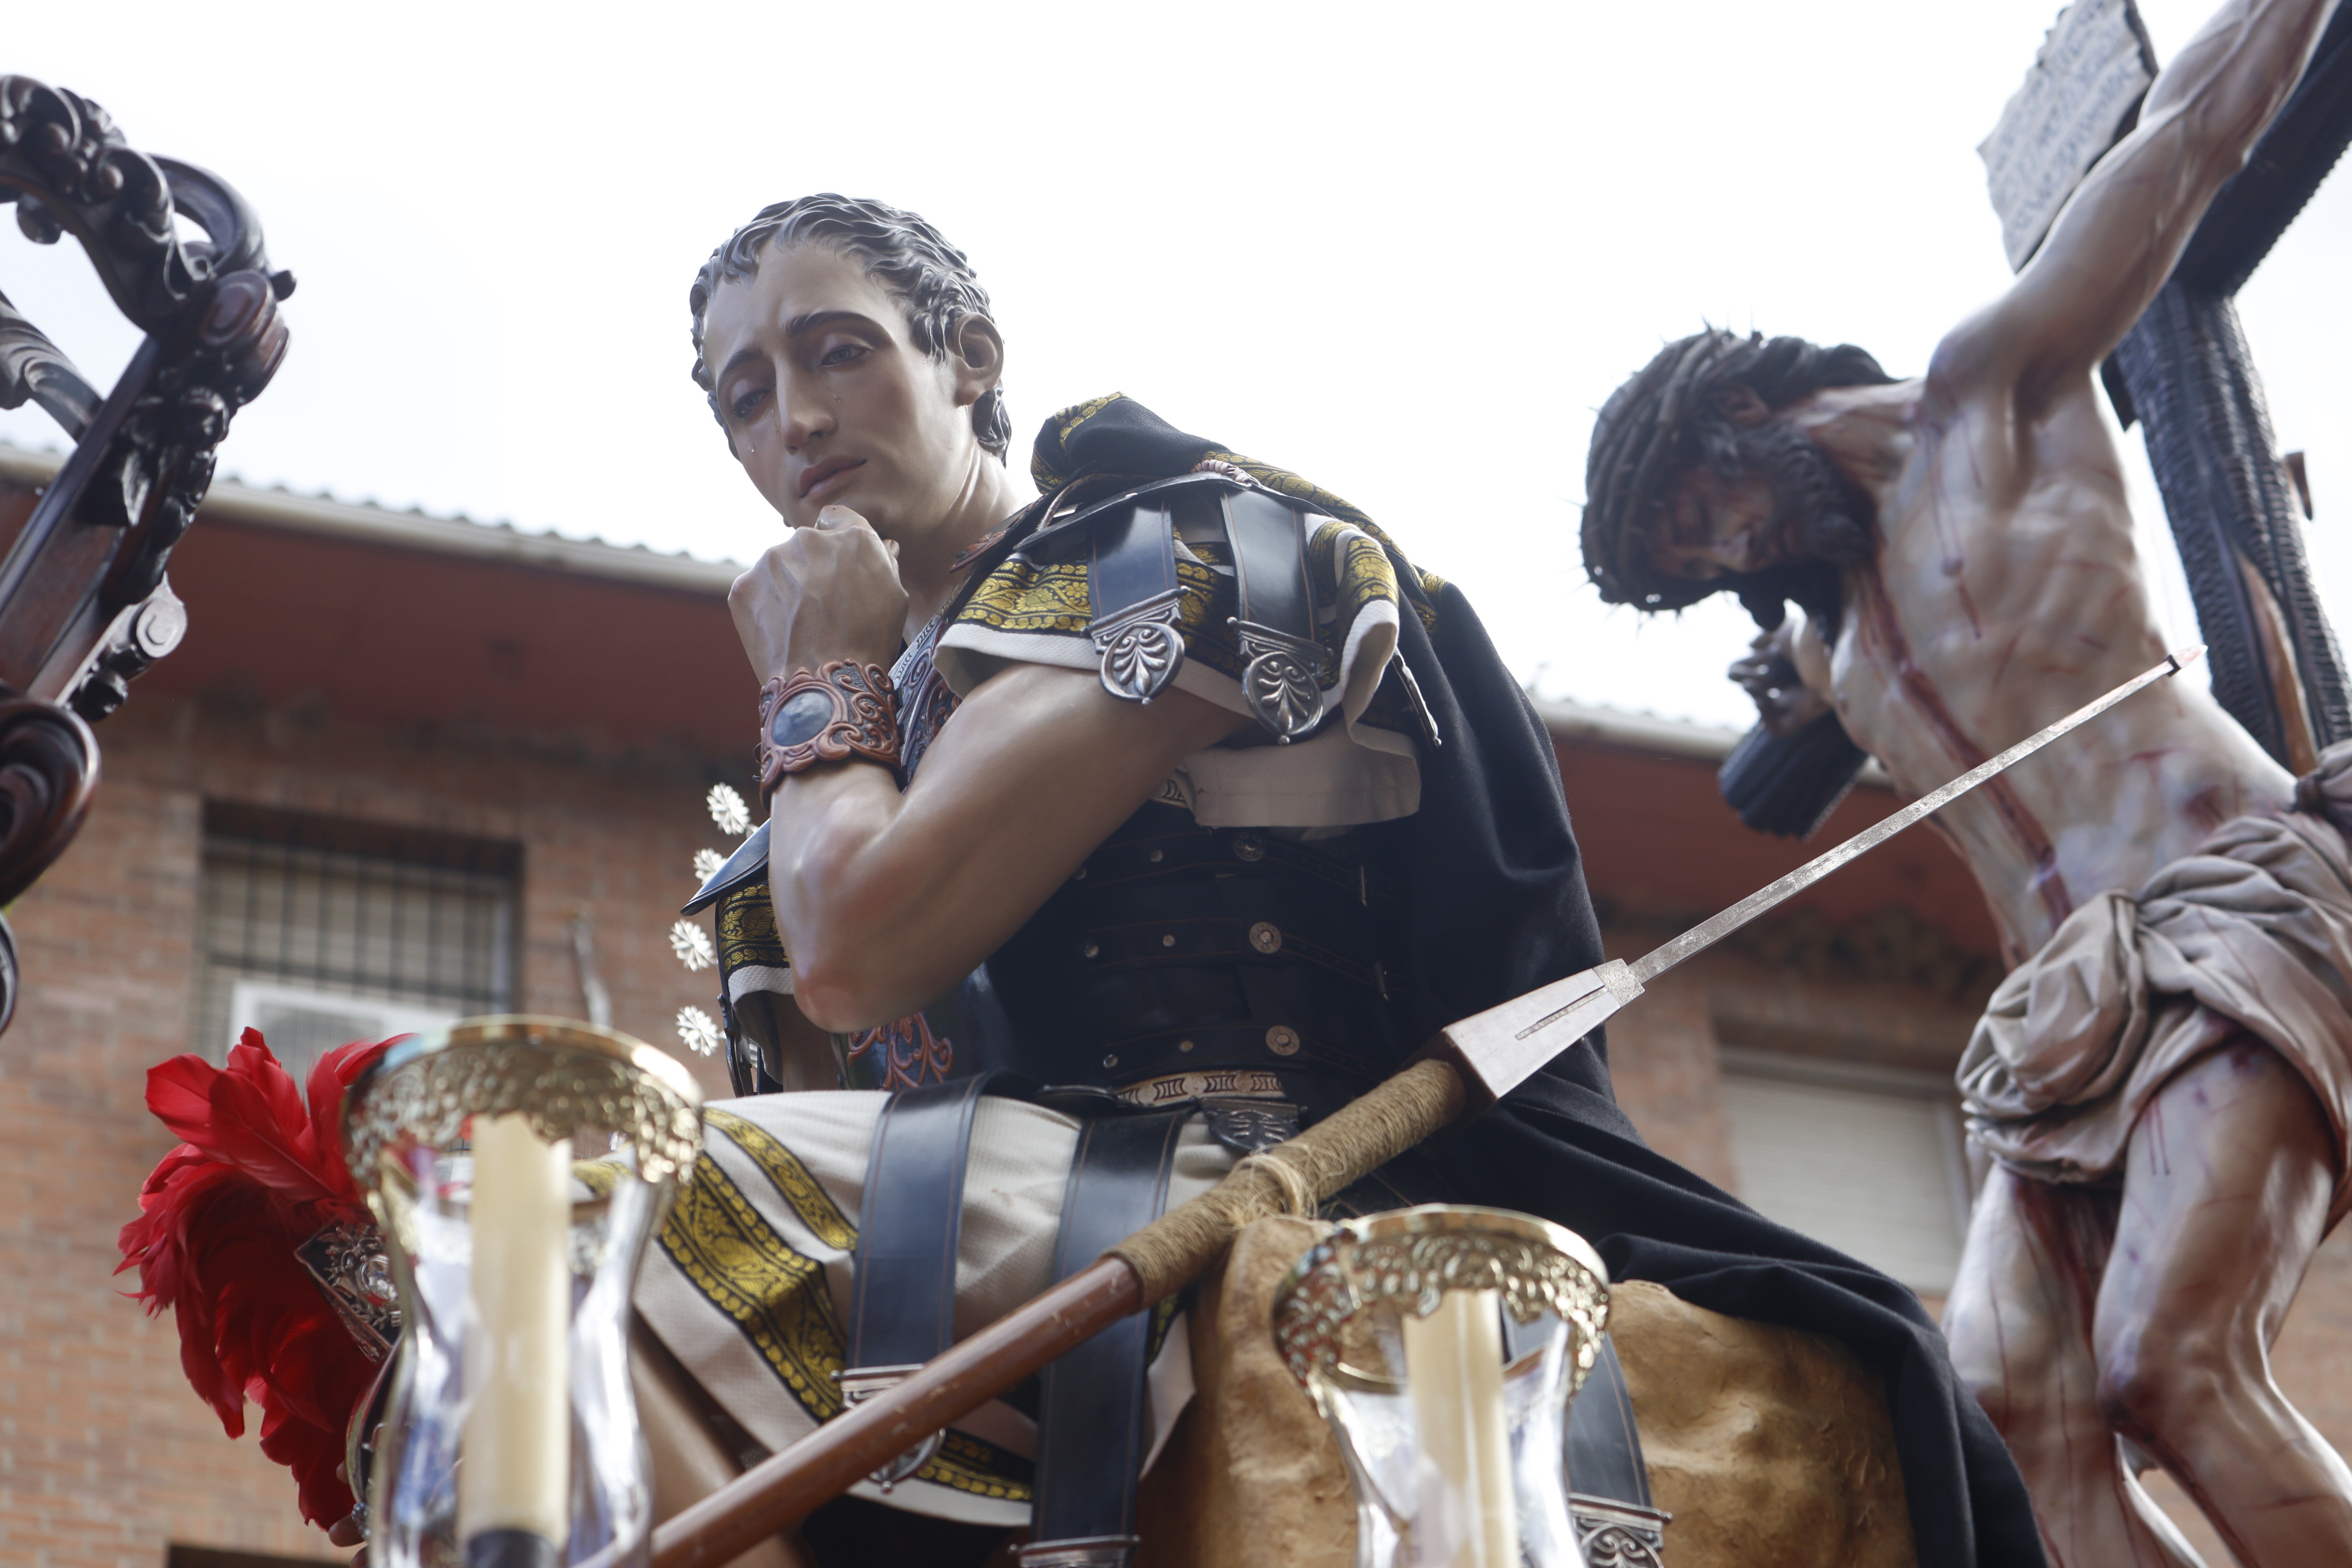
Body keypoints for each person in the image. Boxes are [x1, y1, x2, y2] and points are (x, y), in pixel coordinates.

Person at [646, 193, 2045, 1568]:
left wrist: (817, 682)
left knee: (601, 1192)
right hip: (943, 1242)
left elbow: (854, 947)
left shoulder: (1159, 553)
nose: (799, 424)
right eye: (745, 398)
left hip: (1229, 1180)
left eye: (839, 351)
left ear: (970, 355)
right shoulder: (853, 755)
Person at [1576, 1, 2352, 1562]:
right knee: (2007, 1406)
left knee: (2169, 1360)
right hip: (2056, 1027)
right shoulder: (1841, 647)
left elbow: (2189, 132)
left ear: (1737, 414)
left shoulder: (1989, 398)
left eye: (1707, 511)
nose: (1734, 554)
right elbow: (1787, 737)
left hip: (2231, 905)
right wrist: (1786, 683)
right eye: (1699, 563)